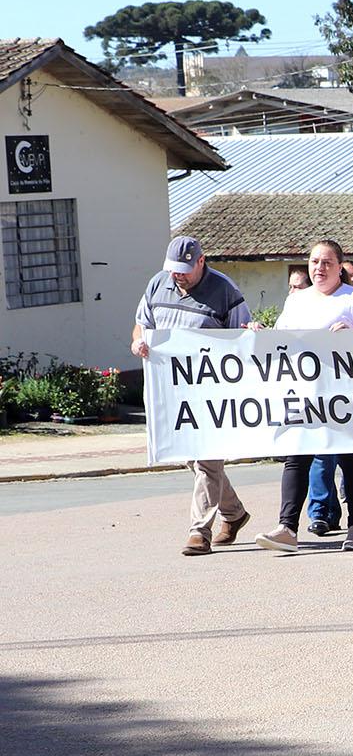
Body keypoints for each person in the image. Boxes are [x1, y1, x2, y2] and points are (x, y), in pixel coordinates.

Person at [254, 240, 353, 554]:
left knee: (352, 461)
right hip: (305, 396)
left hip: (345, 398)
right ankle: (287, 527)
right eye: (314, 262)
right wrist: (261, 333)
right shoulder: (297, 301)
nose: (319, 268)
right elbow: (281, 340)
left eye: (327, 262)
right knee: (296, 459)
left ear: (341, 266)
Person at [132, 235, 257, 556]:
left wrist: (251, 334)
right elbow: (141, 324)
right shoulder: (158, 284)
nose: (178, 275)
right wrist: (138, 342)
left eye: (184, 269)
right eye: (173, 269)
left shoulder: (224, 289)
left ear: (201, 261)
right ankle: (234, 513)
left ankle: (198, 531)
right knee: (193, 457)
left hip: (212, 394)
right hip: (171, 392)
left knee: (207, 460)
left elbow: (243, 335)